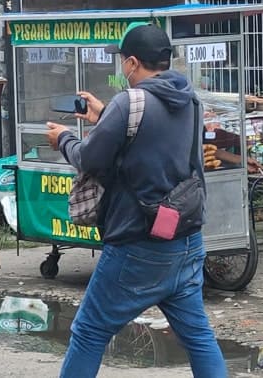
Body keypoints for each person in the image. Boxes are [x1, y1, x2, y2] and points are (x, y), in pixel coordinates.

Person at [45, 22, 226, 378]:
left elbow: (91, 159)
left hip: (138, 245)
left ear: (131, 63)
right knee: (199, 336)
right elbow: (156, 146)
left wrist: (64, 139)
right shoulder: (189, 97)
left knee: (89, 331)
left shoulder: (130, 102)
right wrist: (104, 117)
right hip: (185, 239)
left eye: (123, 63)